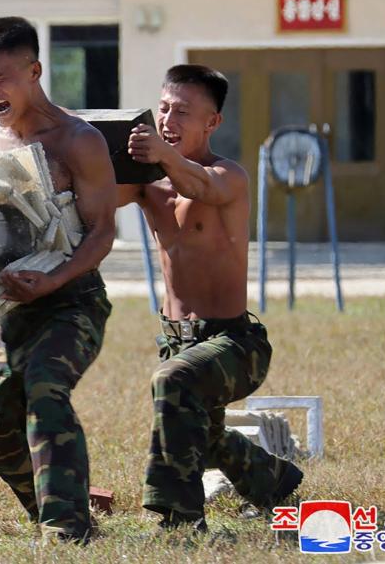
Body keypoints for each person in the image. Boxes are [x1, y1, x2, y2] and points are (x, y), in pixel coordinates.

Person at [117, 64, 303, 533]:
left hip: (235, 344)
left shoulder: (229, 176)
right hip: (176, 339)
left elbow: (197, 184)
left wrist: (162, 156)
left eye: (182, 112)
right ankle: (273, 480)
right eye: (163, 109)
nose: (168, 120)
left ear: (211, 122)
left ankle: (179, 519)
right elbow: (89, 197)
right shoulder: (146, 181)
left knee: (174, 382)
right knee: (200, 428)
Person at [0, 16, 116, 543]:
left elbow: (101, 234)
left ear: (35, 71)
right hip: (6, 307)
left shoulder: (78, 140)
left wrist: (54, 282)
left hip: (71, 301)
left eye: (0, 77)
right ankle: (61, 502)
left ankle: (67, 529)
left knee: (46, 391)